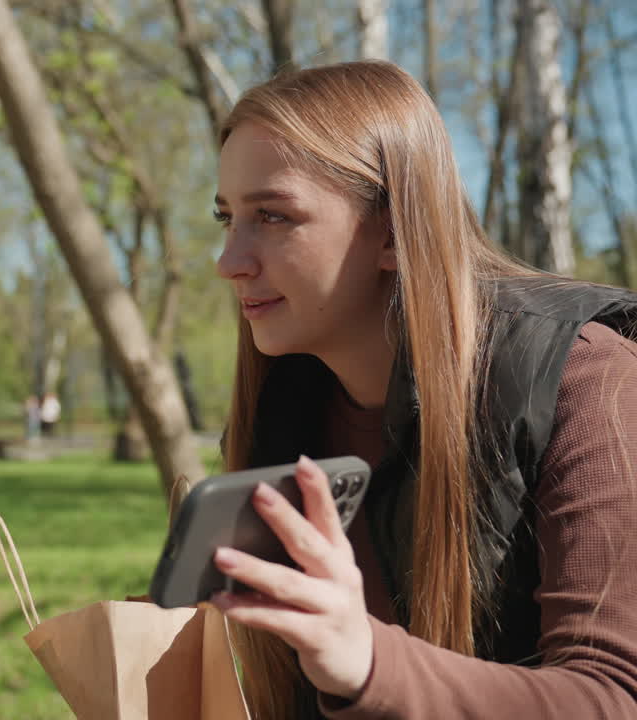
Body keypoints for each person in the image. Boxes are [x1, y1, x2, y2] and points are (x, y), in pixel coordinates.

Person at [206, 60, 637, 719]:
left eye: (273, 216)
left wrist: (370, 664)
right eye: (226, 217)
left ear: (390, 230)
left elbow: (612, 698)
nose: (229, 261)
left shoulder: (581, 377)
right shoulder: (279, 415)